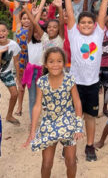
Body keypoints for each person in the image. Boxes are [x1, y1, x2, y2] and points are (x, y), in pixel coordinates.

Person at [62, 0, 108, 162]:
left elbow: (102, 14)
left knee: (90, 116)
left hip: (91, 83)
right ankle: (68, 143)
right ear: (78, 25)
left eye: (90, 22)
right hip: (74, 83)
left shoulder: (99, 33)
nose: (87, 25)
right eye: (84, 23)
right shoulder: (73, 33)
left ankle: (90, 146)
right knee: (72, 115)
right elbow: (71, 17)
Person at [23, 47, 84, 178]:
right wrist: (33, 131)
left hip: (68, 122)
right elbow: (37, 106)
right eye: (51, 61)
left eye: (59, 61)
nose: (55, 65)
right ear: (45, 64)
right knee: (46, 163)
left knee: (71, 161)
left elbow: (77, 102)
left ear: (64, 63)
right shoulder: (42, 82)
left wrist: (78, 125)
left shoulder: (69, 80)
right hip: (49, 122)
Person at [0, 21, 21, 125]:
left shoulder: (13, 45)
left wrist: (18, 77)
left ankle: (9, 115)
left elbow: (16, 62)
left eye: (3, 31)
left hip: (6, 72)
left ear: (7, 32)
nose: (1, 33)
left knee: (14, 93)